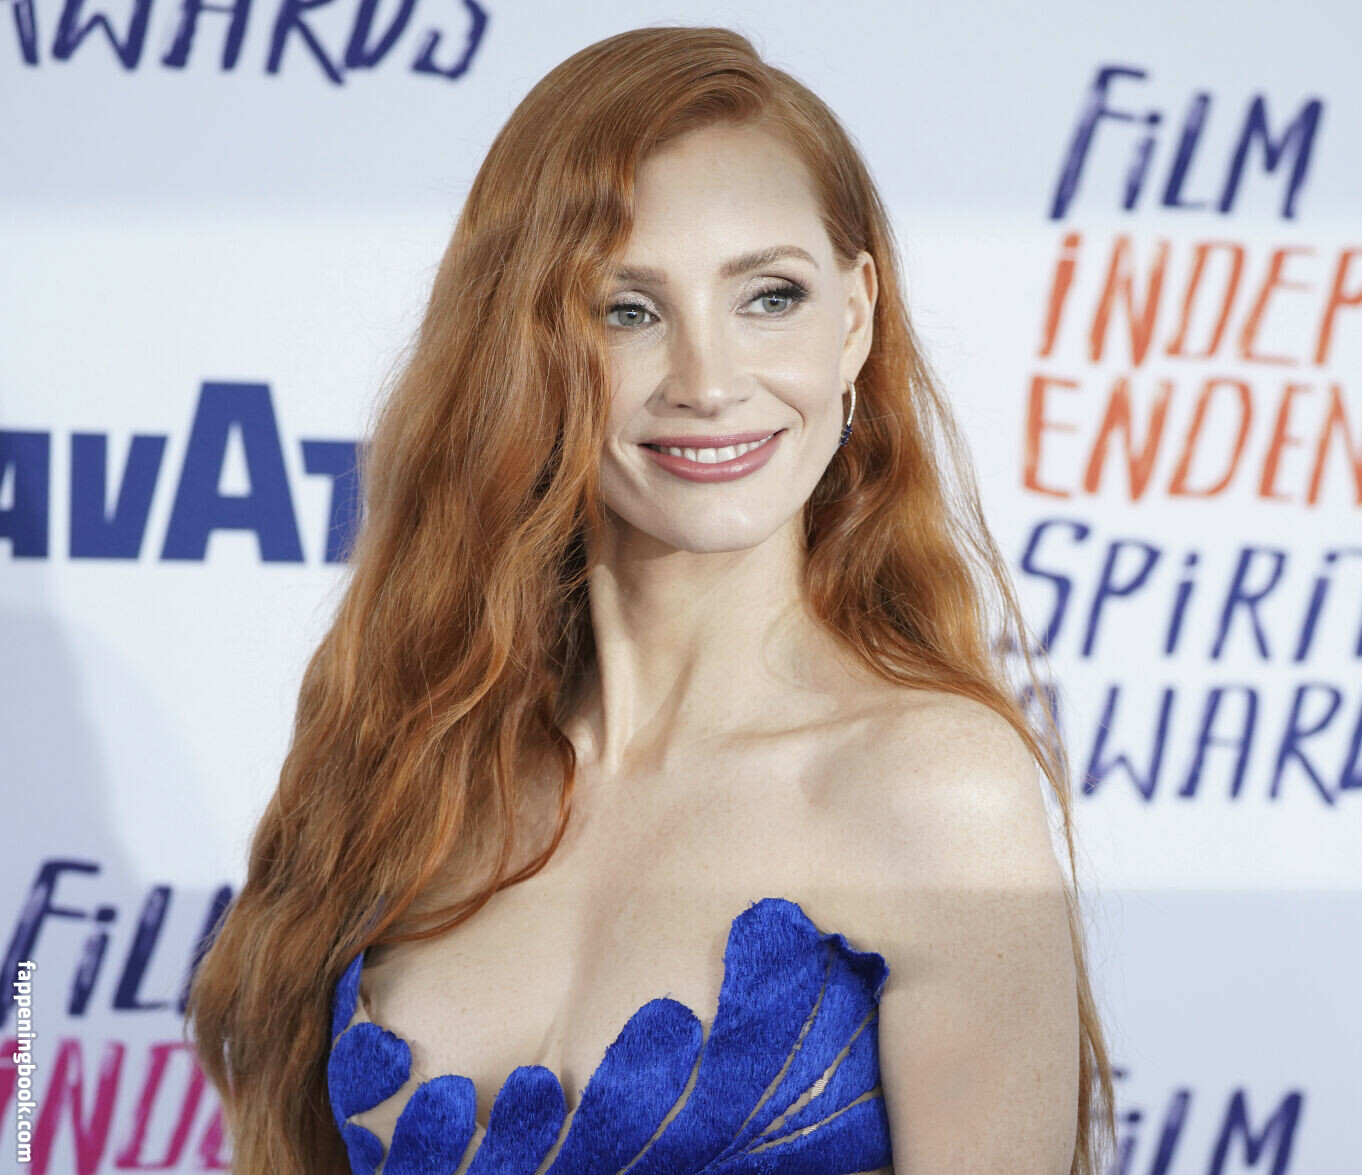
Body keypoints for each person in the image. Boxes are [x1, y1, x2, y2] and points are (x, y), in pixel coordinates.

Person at [185, 25, 1115, 1175]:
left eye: (769, 296)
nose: (709, 383)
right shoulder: (414, 762)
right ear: (523, 346)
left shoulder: (934, 786)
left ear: (854, 319)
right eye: (627, 309)